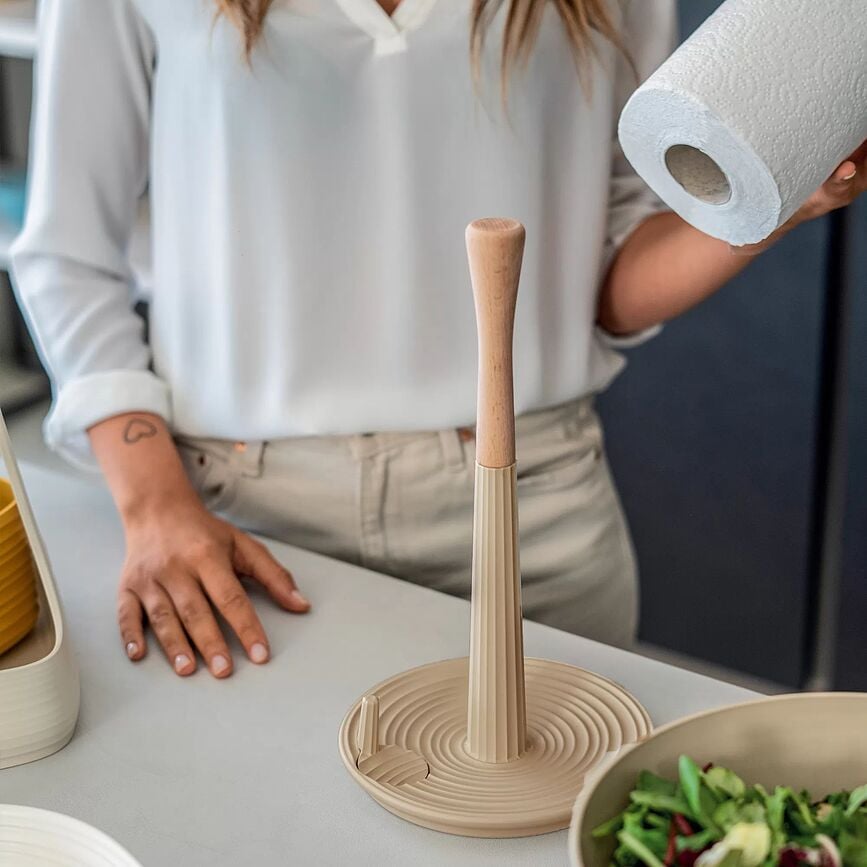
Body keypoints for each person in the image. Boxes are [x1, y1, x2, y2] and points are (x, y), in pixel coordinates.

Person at [12, 0, 865, 679]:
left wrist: (770, 205)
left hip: (540, 515)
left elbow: (606, 284)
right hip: (246, 522)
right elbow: (67, 253)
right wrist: (154, 502)